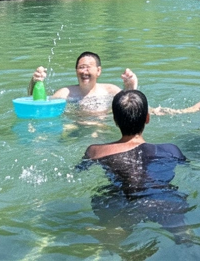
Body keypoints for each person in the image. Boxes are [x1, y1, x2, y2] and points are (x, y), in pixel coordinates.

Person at [80, 89, 190, 241]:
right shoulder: (171, 150)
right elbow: (190, 169)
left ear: (114, 119)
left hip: (123, 203)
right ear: (147, 118)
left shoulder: (95, 151)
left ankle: (117, 229)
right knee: (183, 236)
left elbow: (77, 171)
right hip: (165, 201)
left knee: (102, 196)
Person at [30, 51, 137, 105]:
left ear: (98, 71)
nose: (84, 71)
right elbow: (39, 104)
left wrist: (131, 88)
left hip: (103, 127)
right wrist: (35, 82)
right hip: (75, 128)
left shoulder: (111, 91)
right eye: (81, 68)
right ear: (76, 71)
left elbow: (131, 108)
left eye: (88, 68)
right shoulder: (65, 93)